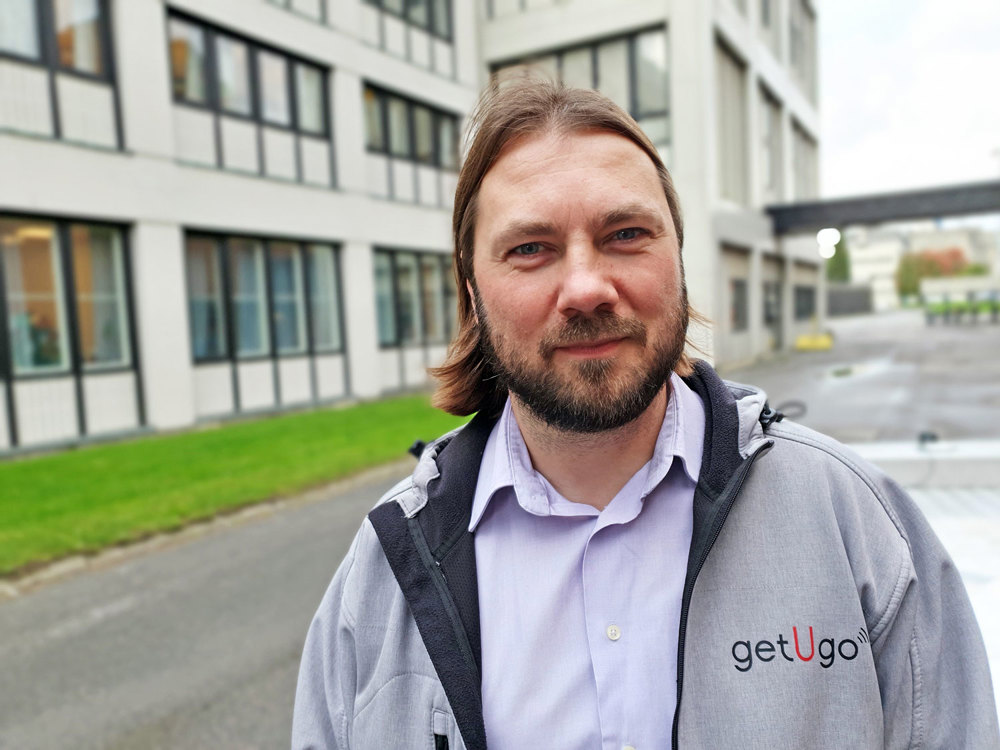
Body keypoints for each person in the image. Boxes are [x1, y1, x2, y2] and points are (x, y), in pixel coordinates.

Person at [292, 80, 999, 750]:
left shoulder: (857, 525)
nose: (587, 288)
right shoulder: (382, 574)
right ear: (473, 292)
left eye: (626, 234)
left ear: (679, 262)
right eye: (531, 249)